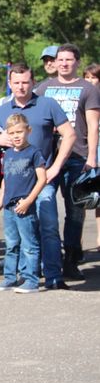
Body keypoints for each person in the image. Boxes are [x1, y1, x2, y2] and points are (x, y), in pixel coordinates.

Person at [0, 63, 75, 289]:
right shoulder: (1, 110)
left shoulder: (47, 104)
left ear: (33, 82)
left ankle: (52, 276)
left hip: (42, 179)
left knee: (48, 226)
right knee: (16, 235)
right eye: (16, 82)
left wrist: (56, 166)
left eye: (25, 82)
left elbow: (69, 134)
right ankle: (20, 275)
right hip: (16, 182)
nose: (21, 87)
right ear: (9, 83)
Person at [34, 43, 100, 279]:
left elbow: (93, 126)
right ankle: (49, 260)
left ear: (77, 62)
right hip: (49, 158)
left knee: (75, 212)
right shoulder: (43, 88)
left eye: (68, 60)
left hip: (78, 157)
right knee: (45, 208)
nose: (63, 63)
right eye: (60, 59)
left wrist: (92, 158)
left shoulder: (87, 89)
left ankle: (71, 260)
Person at [0, 114, 47, 293]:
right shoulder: (8, 154)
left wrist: (29, 200)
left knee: (29, 244)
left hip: (24, 206)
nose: (16, 136)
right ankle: (9, 278)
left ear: (28, 131)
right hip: (9, 206)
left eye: (19, 132)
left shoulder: (34, 153)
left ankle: (31, 280)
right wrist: (0, 202)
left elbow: (42, 179)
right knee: (11, 244)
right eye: (12, 132)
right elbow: (6, 179)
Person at [85, 63, 100, 248]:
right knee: (83, 196)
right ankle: (77, 243)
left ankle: (98, 238)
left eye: (93, 77)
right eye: (86, 77)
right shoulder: (84, 96)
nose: (89, 81)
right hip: (85, 149)